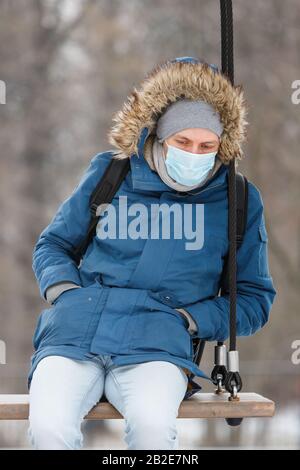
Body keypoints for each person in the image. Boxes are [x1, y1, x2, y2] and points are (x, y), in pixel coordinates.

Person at [27, 56, 277, 450]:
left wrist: (189, 320)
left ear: (221, 146)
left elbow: (253, 299)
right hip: (75, 335)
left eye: (206, 146)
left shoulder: (238, 199)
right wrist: (67, 296)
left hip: (158, 346)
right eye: (183, 142)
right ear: (160, 137)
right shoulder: (112, 173)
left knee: (153, 434)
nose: (195, 153)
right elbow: (53, 245)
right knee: (48, 430)